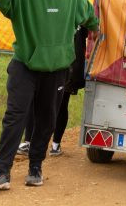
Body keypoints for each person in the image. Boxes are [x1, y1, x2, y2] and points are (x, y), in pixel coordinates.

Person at [0, 0, 99, 190]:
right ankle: (2, 172)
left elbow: (88, 15)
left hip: (57, 68)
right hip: (25, 64)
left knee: (47, 119)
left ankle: (35, 167)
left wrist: (97, 30)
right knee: (15, 117)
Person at [17, 26, 89, 157]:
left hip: (70, 66)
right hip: (48, 61)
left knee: (61, 104)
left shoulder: (80, 10)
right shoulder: (52, 8)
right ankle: (28, 142)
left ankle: (55, 145)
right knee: (35, 100)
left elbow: (93, 33)